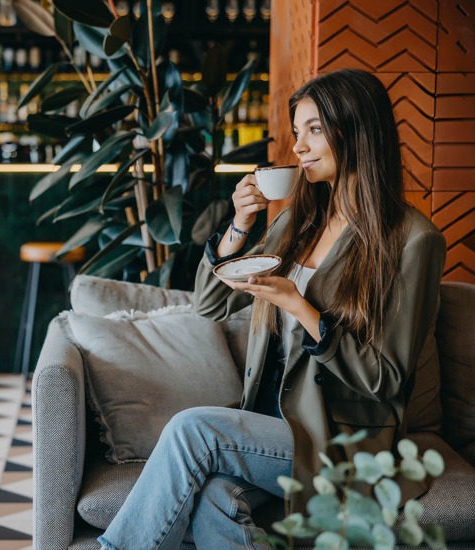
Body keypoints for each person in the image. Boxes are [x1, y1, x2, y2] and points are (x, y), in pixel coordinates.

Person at [97, 68, 447, 550]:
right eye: (296, 132)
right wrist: (240, 224)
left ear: (358, 130)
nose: (299, 147)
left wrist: (300, 307)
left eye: (315, 129)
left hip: (338, 437)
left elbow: (385, 378)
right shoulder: (296, 222)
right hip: (270, 423)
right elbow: (211, 303)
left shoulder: (413, 241)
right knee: (216, 498)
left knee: (193, 428)